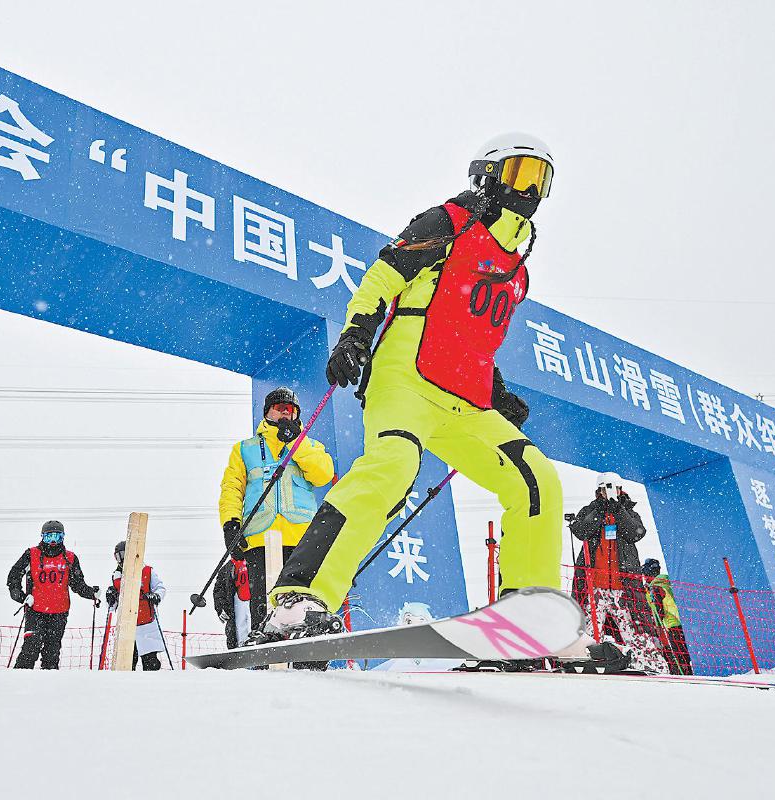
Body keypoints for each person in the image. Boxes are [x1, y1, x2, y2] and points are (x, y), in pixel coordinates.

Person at [252, 134, 561, 645]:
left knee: (536, 479)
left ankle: (528, 617)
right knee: (393, 468)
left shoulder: (516, 270)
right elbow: (380, 280)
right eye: (519, 173)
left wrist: (498, 391)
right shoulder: (447, 223)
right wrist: (356, 332)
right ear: (487, 173)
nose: (528, 190)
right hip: (406, 379)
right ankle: (301, 597)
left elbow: (473, 334)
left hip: (466, 402)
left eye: (540, 180)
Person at [218, 387, 334, 632]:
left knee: (306, 604)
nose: (284, 413)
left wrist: (296, 442)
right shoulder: (244, 449)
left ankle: (309, 663)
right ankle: (265, 661)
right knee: (263, 605)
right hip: (259, 538)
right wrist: (230, 524)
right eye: (278, 408)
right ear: (267, 413)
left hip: (303, 539)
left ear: (296, 415)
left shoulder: (310, 445)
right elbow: (231, 489)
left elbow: (323, 474)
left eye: (289, 409)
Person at [569, 473, 668, 673]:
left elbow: (636, 533)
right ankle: (581, 663)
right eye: (605, 488)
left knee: (638, 628)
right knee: (586, 629)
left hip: (624, 587)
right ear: (599, 490)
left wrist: (618, 510)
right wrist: (600, 510)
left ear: (621, 488)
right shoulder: (590, 510)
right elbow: (580, 530)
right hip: (594, 586)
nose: (609, 491)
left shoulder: (630, 512)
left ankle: (652, 666)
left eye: (613, 487)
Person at [7, 521, 99, 670]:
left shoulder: (70, 558)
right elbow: (13, 576)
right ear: (42, 537)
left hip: (59, 613)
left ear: (63, 537)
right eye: (49, 537)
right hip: (35, 611)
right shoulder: (31, 554)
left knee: (52, 654)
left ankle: (49, 686)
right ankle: (19, 681)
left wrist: (91, 593)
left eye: (57, 536)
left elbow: (77, 584)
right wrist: (21, 597)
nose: (53, 541)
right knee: (31, 649)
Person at [106, 541, 168, 670]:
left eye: (124, 554)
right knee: (127, 662)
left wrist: (156, 596)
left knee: (150, 662)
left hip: (146, 623)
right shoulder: (117, 576)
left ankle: (151, 684)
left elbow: (160, 588)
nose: (122, 559)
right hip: (127, 625)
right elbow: (114, 603)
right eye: (118, 556)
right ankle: (128, 686)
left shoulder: (146, 571)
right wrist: (111, 597)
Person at [641, 559, 692, 675]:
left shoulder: (656, 587)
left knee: (680, 655)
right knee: (687, 652)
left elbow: (659, 611)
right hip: (683, 621)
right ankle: (688, 671)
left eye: (645, 574)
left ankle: (685, 674)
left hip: (673, 624)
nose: (644, 577)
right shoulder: (668, 582)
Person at [212, 557, 252, 650]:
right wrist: (221, 607)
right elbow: (219, 589)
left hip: (255, 604)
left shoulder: (261, 558)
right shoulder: (228, 567)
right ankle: (241, 646)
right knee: (240, 627)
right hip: (237, 604)